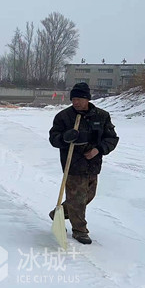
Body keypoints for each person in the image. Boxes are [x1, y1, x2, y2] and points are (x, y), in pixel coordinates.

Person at [48, 82, 119, 244]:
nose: (76, 102)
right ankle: (80, 230)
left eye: (79, 98)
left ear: (87, 99)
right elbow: (54, 138)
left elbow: (111, 138)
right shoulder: (64, 117)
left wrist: (98, 149)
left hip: (93, 164)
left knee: (88, 196)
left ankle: (59, 213)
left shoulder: (101, 116)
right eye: (73, 99)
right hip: (72, 164)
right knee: (78, 199)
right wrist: (65, 138)